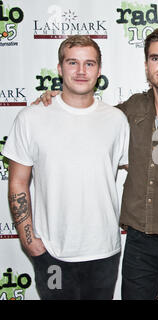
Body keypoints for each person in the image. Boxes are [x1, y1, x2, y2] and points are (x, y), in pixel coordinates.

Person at [34, 28, 158, 300]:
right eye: (155, 58)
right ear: (146, 65)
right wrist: (55, 99)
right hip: (138, 243)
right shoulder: (129, 109)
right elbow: (89, 115)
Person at [3, 35, 130, 300]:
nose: (81, 71)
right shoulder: (31, 118)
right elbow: (17, 182)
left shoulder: (117, 120)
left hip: (104, 252)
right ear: (59, 68)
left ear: (99, 70)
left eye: (89, 63)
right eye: (73, 63)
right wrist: (29, 240)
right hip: (51, 253)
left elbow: (140, 174)